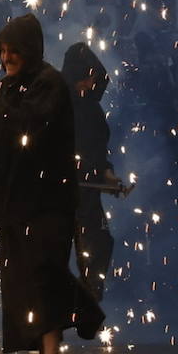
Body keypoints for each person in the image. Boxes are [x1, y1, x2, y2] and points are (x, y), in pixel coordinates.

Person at [0, 13, 104, 354]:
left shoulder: (50, 84)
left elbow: (31, 128)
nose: (7, 58)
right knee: (26, 286)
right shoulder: (8, 87)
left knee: (45, 278)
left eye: (13, 51)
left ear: (29, 50)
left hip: (47, 201)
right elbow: (4, 146)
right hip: (13, 204)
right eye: (3, 52)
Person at [61, 42, 116, 301]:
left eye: (93, 78)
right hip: (61, 192)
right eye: (85, 77)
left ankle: (89, 299)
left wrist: (106, 173)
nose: (89, 83)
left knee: (98, 244)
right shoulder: (59, 107)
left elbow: (96, 150)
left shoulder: (92, 109)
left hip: (88, 194)